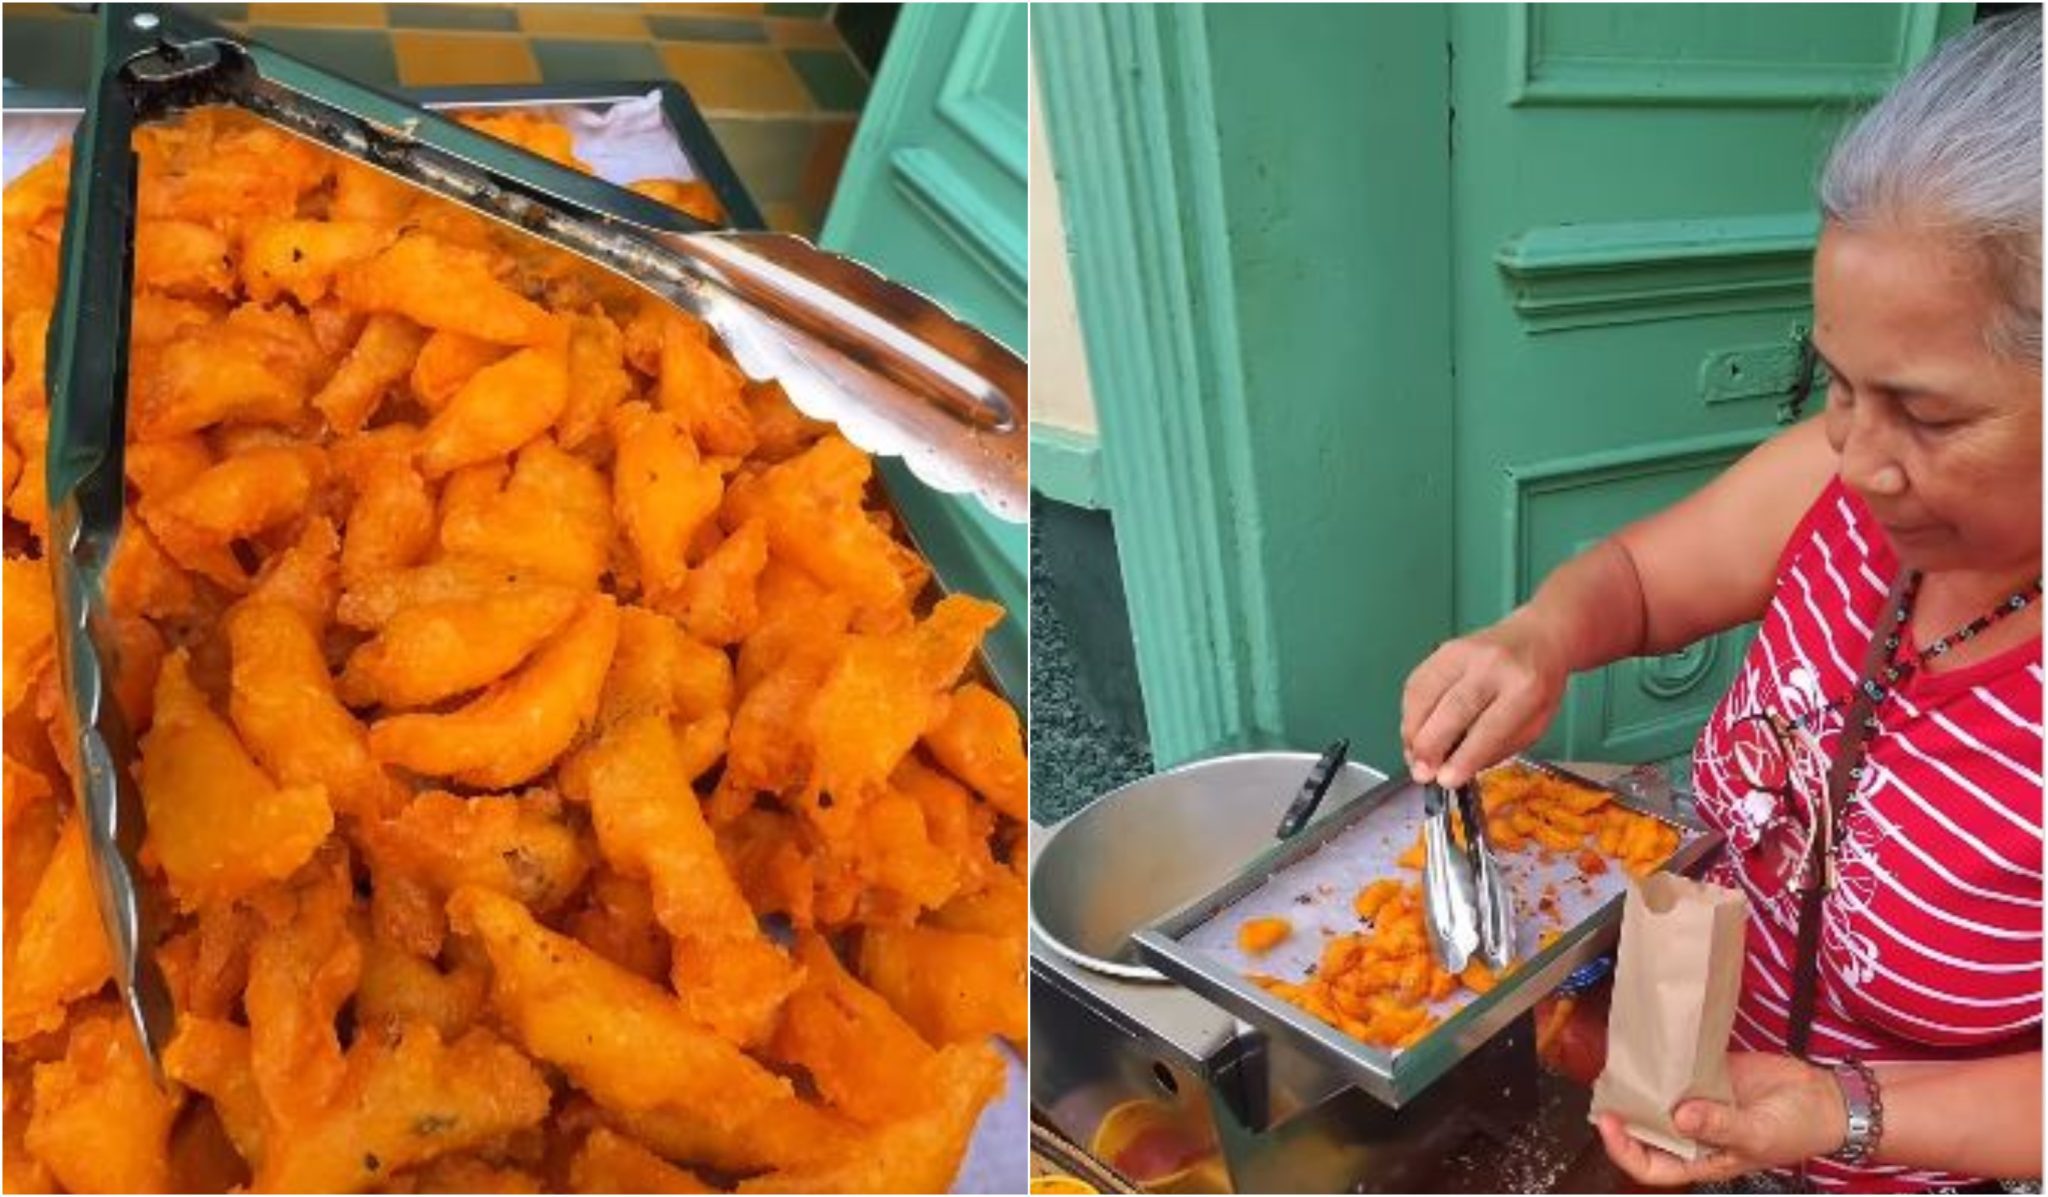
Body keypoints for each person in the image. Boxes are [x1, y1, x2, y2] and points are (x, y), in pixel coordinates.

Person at [1399, 12, 2042, 1192]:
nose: (1854, 462)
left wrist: (1835, 1116)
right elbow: (1638, 582)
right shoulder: (1839, 481)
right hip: (1659, 1062)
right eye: (1836, 384)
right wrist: (1538, 637)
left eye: (1928, 415)